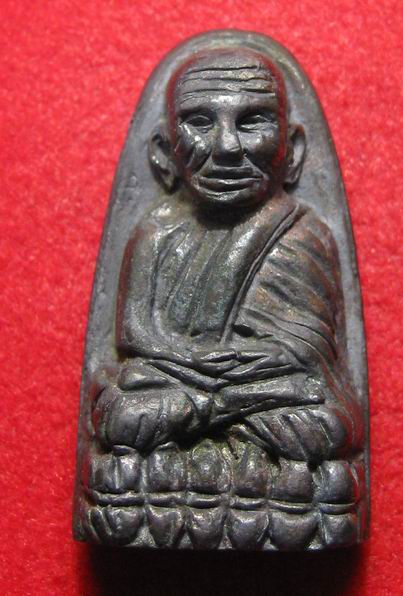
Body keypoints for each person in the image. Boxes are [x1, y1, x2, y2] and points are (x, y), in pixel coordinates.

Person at [83, 49, 365, 550]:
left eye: (252, 121)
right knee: (120, 410)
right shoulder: (155, 232)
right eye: (199, 122)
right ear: (164, 152)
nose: (228, 146)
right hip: (194, 388)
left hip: (266, 396)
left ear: (294, 150)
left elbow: (311, 361)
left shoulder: (301, 234)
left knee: (327, 422)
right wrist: (200, 371)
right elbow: (134, 339)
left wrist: (224, 381)